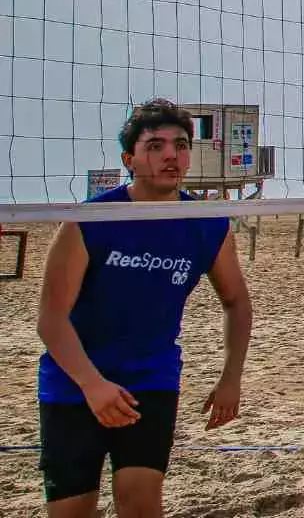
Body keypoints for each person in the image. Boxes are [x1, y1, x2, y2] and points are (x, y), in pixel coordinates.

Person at [35, 99, 253, 518]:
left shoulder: (209, 222)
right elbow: (51, 317)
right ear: (129, 158)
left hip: (149, 380)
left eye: (181, 144)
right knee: (71, 511)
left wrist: (231, 377)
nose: (171, 155)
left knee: (139, 501)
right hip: (73, 382)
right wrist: (92, 385)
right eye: (155, 146)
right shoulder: (91, 220)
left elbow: (237, 301)